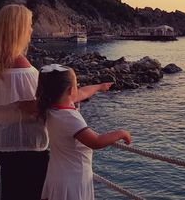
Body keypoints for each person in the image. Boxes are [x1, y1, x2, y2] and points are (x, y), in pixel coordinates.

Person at [0, 4, 113, 200]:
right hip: (22, 147)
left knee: (12, 190)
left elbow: (16, 102)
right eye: (29, 25)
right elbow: (35, 105)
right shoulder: (20, 64)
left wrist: (94, 88)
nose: (31, 30)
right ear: (18, 29)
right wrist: (68, 106)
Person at [36, 64, 131, 200]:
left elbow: (83, 93)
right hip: (73, 180)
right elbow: (95, 141)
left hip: (56, 175)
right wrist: (122, 133)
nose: (79, 87)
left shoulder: (50, 106)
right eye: (77, 84)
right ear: (70, 90)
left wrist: (99, 87)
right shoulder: (70, 118)